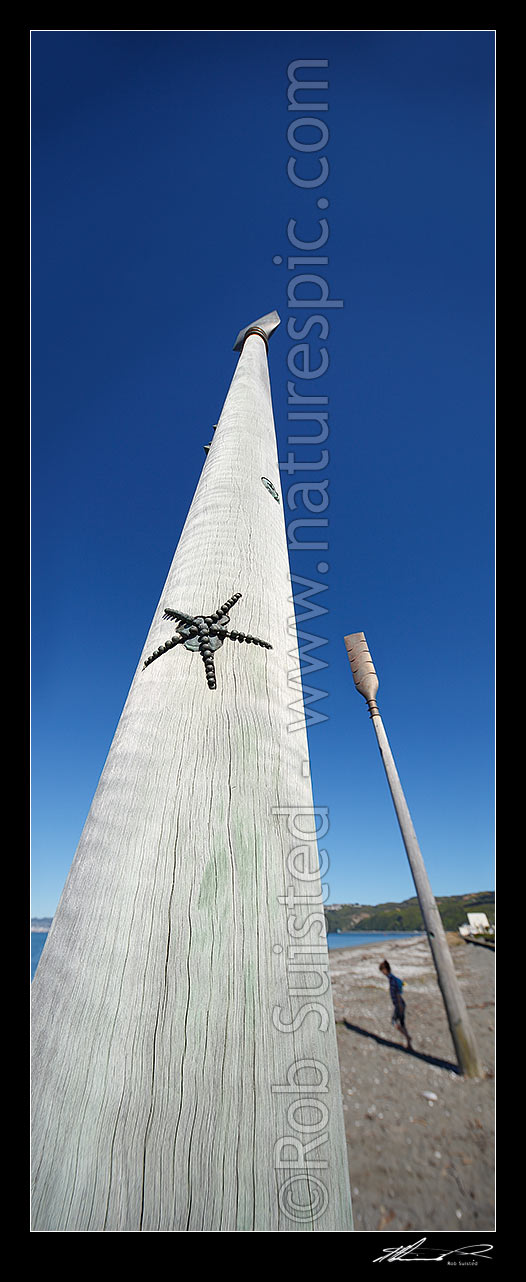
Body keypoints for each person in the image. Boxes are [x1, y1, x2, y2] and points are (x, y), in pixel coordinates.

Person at [379, 959, 412, 1050]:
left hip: (399, 1005)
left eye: (382, 971)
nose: (382, 973)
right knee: (401, 1023)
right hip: (400, 1004)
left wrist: (399, 1006)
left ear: (385, 970)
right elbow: (402, 985)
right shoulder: (393, 978)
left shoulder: (392, 979)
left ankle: (408, 1037)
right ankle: (408, 1042)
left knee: (394, 1022)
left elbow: (397, 993)